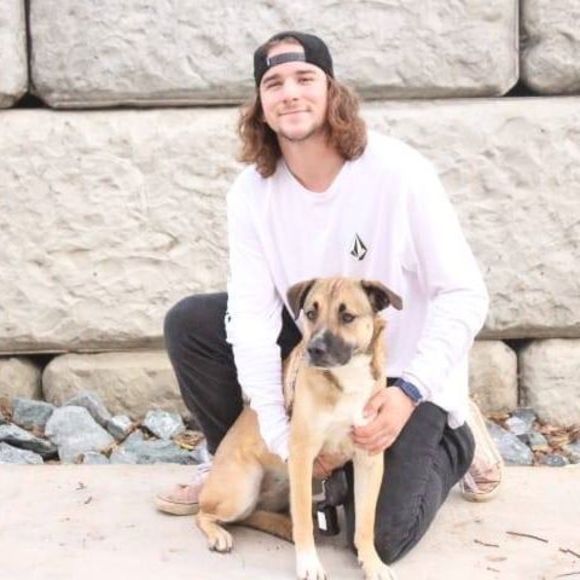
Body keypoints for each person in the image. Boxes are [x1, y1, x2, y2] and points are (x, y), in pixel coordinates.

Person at [155, 31, 503, 563]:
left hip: (400, 365)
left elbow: (464, 293)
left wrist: (412, 391)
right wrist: (282, 437)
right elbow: (250, 318)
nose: (290, 93)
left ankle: (457, 435)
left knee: (384, 538)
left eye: (304, 78)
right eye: (274, 83)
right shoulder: (251, 192)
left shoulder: (398, 172)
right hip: (317, 341)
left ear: (332, 92)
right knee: (193, 324)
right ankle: (237, 465)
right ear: (260, 106)